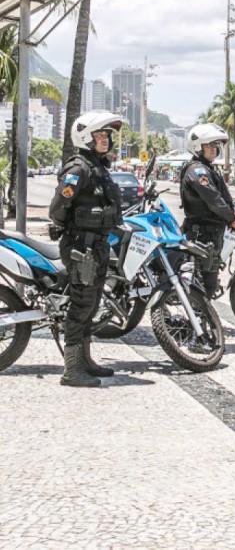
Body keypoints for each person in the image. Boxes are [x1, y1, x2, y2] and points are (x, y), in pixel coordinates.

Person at [49, 111, 125, 388]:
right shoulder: (79, 168)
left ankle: (85, 361)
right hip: (83, 246)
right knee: (80, 306)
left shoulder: (97, 167)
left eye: (107, 136)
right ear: (85, 137)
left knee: (91, 304)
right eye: (100, 135)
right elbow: (58, 208)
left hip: (97, 245)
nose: (105, 140)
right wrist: (71, 230)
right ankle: (71, 370)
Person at [180, 123, 235, 299]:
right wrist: (232, 218)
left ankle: (201, 319)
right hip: (203, 234)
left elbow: (221, 196)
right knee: (204, 282)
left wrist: (234, 211)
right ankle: (198, 320)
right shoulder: (197, 170)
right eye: (209, 145)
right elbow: (213, 199)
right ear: (198, 147)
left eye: (216, 145)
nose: (214, 149)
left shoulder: (207, 169)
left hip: (211, 231)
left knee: (209, 278)